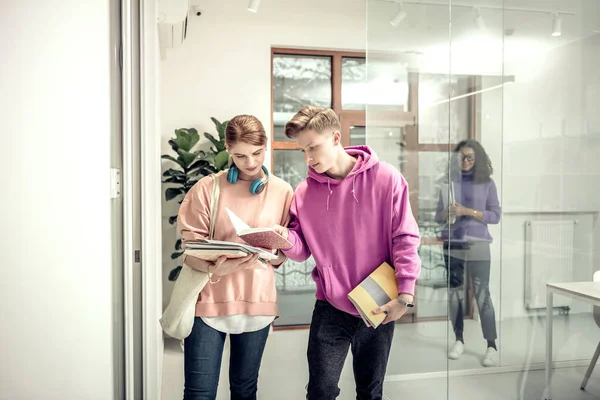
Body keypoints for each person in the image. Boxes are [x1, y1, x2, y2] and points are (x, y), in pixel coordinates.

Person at [273, 105, 421, 400]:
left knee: (370, 391)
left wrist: (405, 295)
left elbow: (404, 237)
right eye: (303, 150)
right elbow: (302, 250)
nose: (308, 158)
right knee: (320, 391)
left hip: (377, 300)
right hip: (330, 305)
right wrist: (283, 237)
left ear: (336, 137)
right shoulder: (304, 193)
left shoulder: (387, 179)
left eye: (313, 147)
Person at [177, 115, 293, 400]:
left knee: (244, 391)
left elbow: (283, 256)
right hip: (208, 303)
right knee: (199, 393)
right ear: (228, 150)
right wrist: (221, 266)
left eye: (256, 153)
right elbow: (190, 253)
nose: (250, 163)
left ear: (266, 146)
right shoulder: (207, 188)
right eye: (239, 155)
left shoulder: (282, 191)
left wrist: (276, 248)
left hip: (258, 303)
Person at [434, 139, 501, 367]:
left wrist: (467, 211)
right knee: (455, 295)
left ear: (477, 159)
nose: (465, 161)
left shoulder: (487, 183)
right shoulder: (448, 183)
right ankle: (458, 339)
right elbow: (437, 217)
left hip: (479, 246)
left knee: (483, 295)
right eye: (461, 157)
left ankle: (491, 345)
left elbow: (495, 216)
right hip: (453, 245)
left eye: (470, 157)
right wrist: (447, 213)